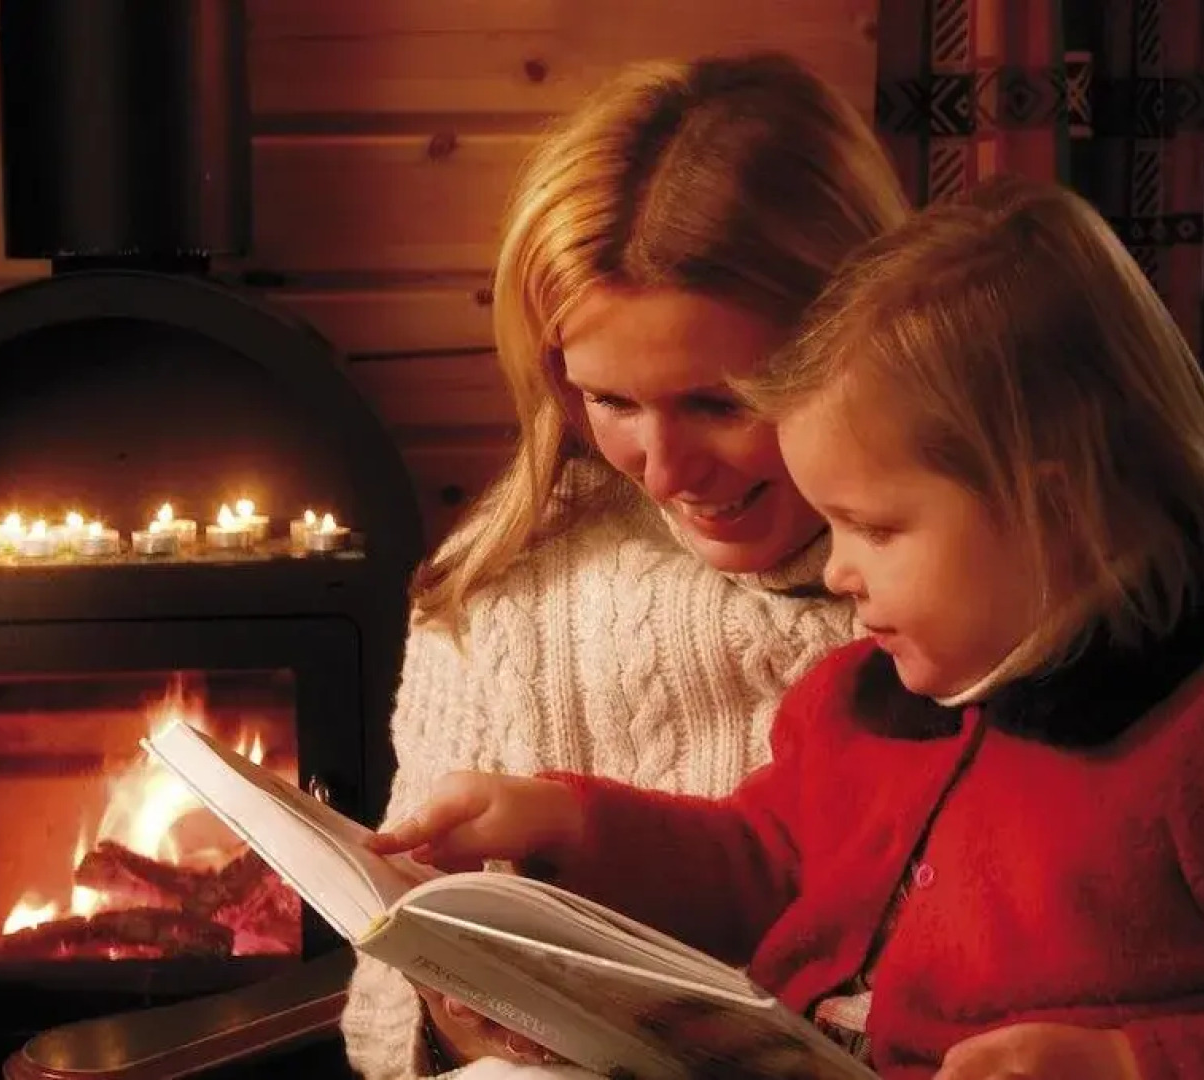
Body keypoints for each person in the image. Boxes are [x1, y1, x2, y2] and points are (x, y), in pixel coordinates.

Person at [368, 177, 1204, 1080]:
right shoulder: (854, 703)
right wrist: (568, 821)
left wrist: (1131, 1065)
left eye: (875, 528)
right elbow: (760, 867)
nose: (836, 568)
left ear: (1055, 513)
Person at [338, 51, 914, 1080]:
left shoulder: (1005, 567)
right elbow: (381, 1005)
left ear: (858, 334)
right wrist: (456, 1022)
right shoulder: (504, 587)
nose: (664, 467)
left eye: (721, 401)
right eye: (609, 402)